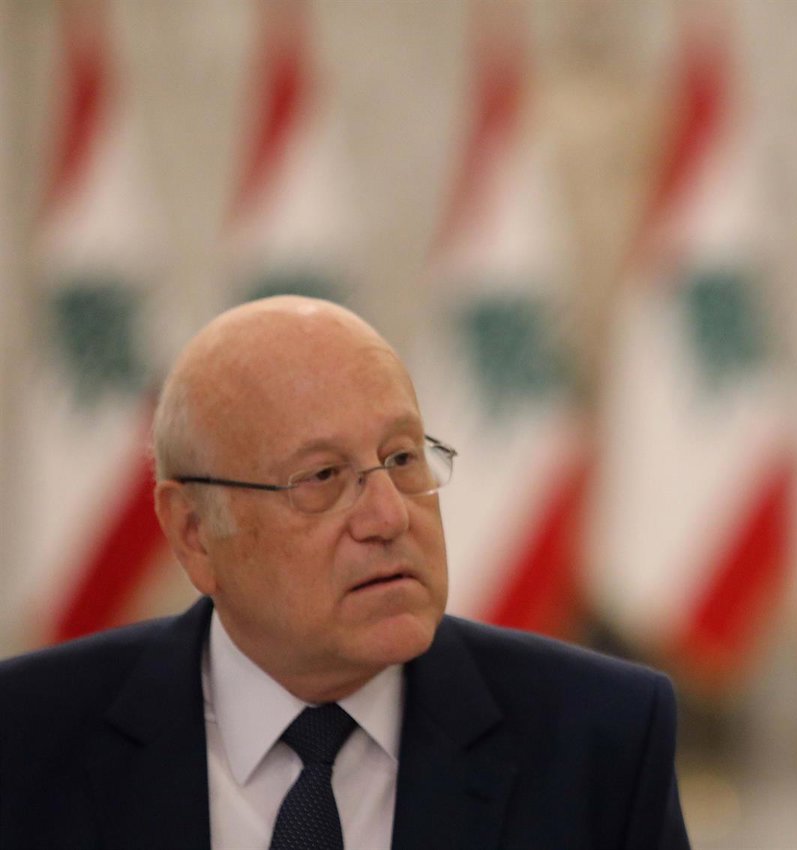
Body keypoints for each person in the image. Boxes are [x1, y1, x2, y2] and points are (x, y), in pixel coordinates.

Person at [0, 296, 690, 849]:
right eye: (323, 476)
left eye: (402, 459)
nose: (389, 516)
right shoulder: (25, 737)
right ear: (194, 532)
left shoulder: (601, 739)